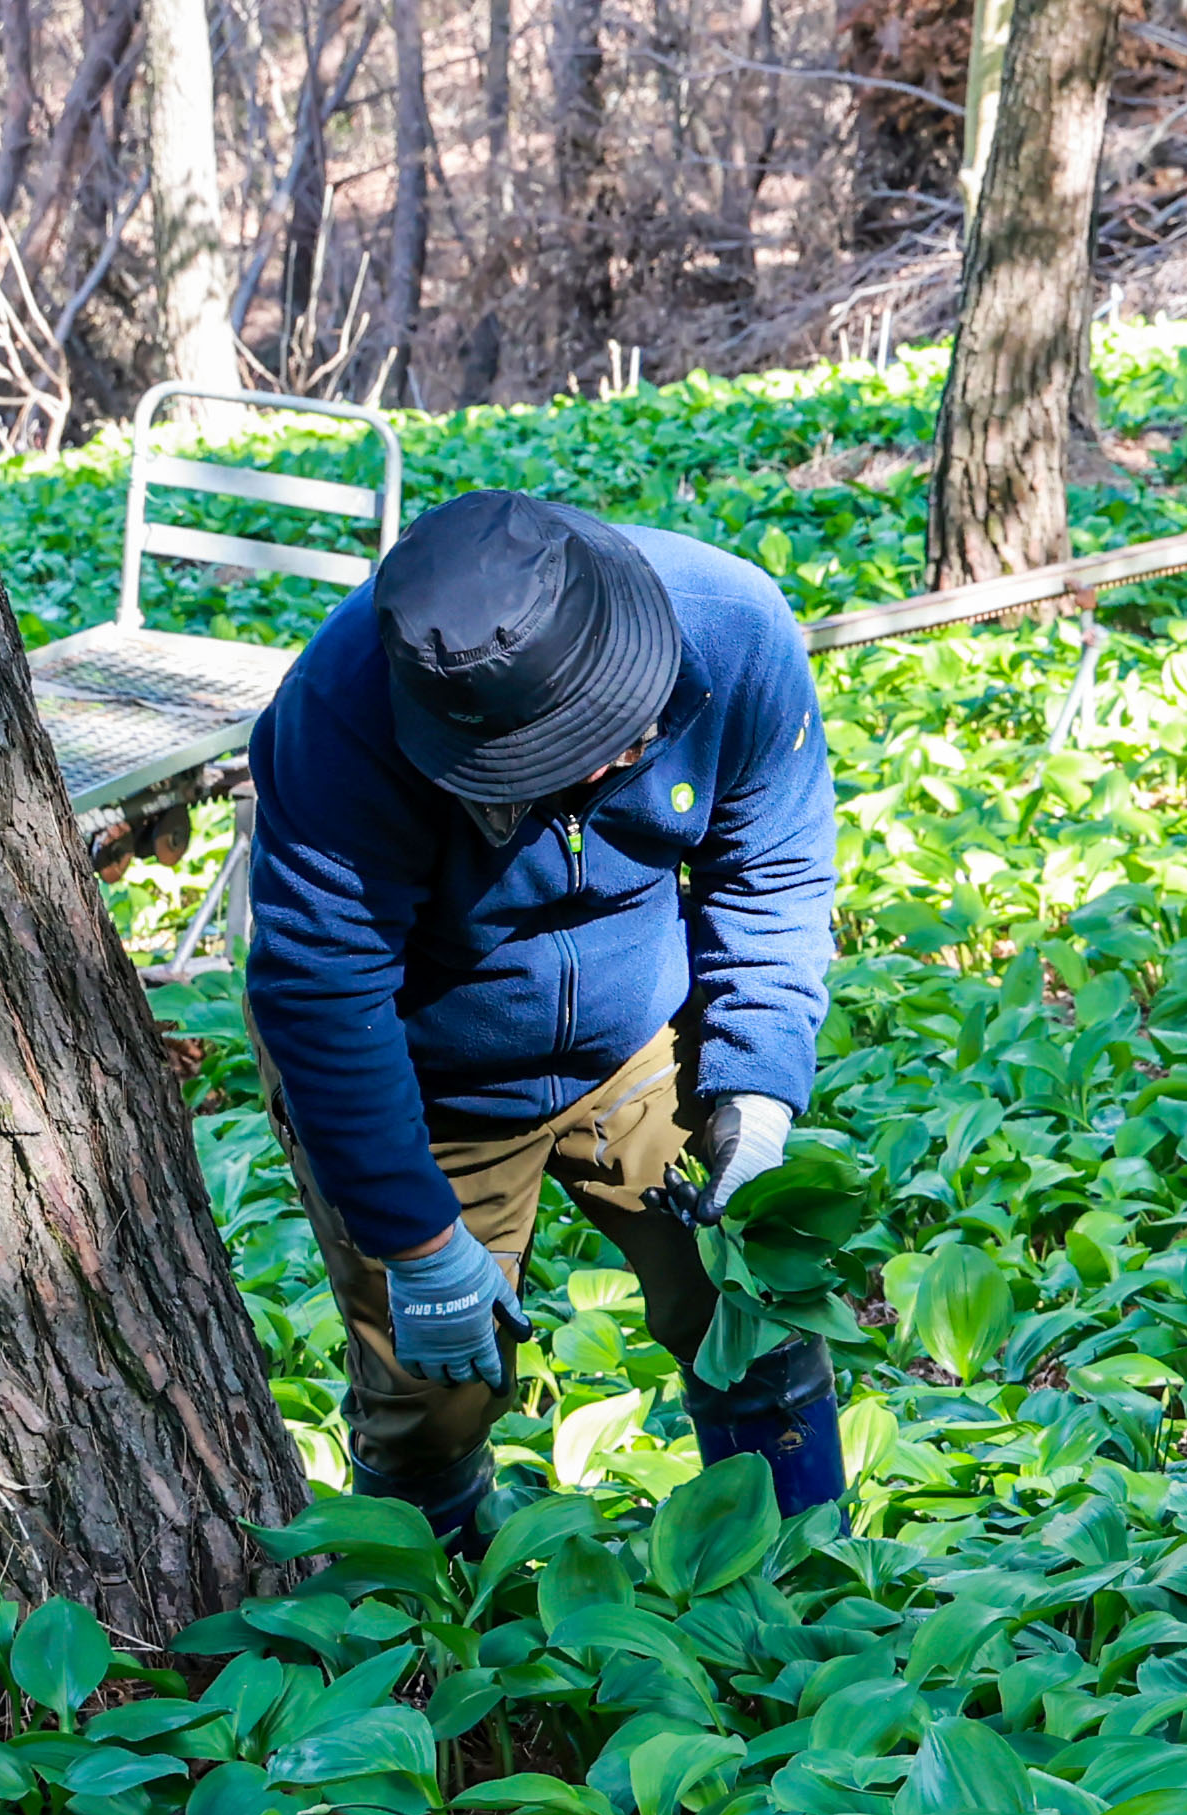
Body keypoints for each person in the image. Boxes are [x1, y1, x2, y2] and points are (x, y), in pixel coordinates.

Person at [247, 488, 844, 1550]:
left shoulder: (732, 627)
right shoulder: (337, 718)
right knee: (435, 1391)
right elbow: (324, 993)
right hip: (427, 1077)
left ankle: (806, 1584)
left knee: (752, 1309)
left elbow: (774, 875)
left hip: (644, 1036)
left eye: (613, 738)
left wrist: (755, 1101)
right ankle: (441, 1640)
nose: (600, 772)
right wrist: (418, 1244)